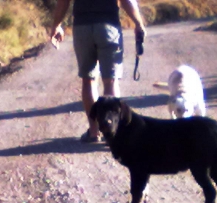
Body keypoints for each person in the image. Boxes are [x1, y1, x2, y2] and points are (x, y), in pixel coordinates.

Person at [49, 0, 147, 143]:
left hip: (82, 28)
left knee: (88, 80)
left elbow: (63, 1)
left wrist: (56, 25)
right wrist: (138, 23)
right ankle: (113, 132)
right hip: (109, 27)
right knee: (110, 81)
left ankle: (94, 132)